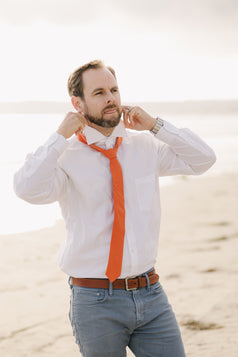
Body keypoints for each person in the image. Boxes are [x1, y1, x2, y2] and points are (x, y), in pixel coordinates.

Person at [14, 59, 216, 357]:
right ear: (77, 103)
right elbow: (26, 188)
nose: (110, 98)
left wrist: (155, 126)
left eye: (114, 90)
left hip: (151, 294)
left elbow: (203, 159)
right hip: (95, 301)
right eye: (98, 92)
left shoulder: (145, 148)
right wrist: (58, 137)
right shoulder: (65, 157)